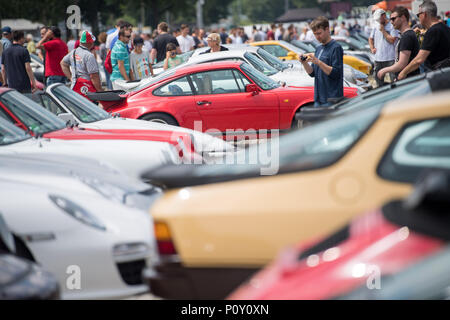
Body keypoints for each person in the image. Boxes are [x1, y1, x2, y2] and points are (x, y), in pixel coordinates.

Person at [398, 1, 450, 79]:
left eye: (418, 15)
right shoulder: (445, 28)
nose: (418, 18)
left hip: (440, 75)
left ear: (424, 14)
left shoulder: (432, 31)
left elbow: (419, 59)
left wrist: (403, 73)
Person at [299, 16, 343, 107]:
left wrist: (319, 62)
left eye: (319, 33)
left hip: (331, 99)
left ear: (327, 29)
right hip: (318, 98)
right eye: (315, 34)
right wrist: (304, 63)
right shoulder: (319, 48)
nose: (317, 37)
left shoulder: (336, 47)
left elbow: (336, 73)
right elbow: (312, 73)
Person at [377, 6, 420, 81]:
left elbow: (402, 64)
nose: (391, 22)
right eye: (390, 19)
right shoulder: (407, 34)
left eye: (393, 19)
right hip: (408, 78)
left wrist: (384, 70)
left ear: (403, 18)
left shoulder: (407, 36)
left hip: (409, 80)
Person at [61, 30, 102, 97]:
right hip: (87, 90)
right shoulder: (89, 55)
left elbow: (63, 63)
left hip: (75, 87)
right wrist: (100, 91)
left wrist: (71, 78)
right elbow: (94, 76)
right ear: (90, 42)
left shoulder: (73, 52)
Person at [369, 9, 400, 87]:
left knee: (393, 79)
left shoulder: (392, 25)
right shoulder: (375, 26)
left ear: (384, 16)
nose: (378, 21)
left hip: (391, 57)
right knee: (378, 79)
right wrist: (372, 48)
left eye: (379, 19)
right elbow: (370, 38)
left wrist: (383, 31)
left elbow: (392, 40)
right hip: (378, 58)